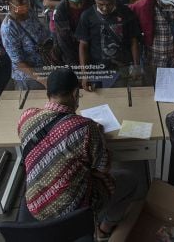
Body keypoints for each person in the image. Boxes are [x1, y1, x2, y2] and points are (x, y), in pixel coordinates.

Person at [17, 68, 137, 239]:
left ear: (48, 93)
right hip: (74, 213)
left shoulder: (26, 117)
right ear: (75, 94)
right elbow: (103, 167)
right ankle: (104, 229)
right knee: (130, 180)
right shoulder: (85, 128)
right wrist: (97, 135)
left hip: (35, 206)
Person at [76, 0, 142, 91]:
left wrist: (136, 66)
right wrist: (84, 74)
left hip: (121, 68)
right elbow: (83, 45)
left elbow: (133, 41)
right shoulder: (87, 16)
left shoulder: (126, 12)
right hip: (97, 69)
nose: (105, 8)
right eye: (100, 4)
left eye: (109, 4)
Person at [0, 0, 51, 90]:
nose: (25, 2)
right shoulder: (9, 28)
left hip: (45, 67)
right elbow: (19, 63)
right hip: (30, 79)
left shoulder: (29, 12)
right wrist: (44, 81)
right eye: (19, 0)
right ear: (7, 2)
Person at [53, 0, 94, 66]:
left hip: (93, 48)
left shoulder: (92, 3)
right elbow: (64, 40)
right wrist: (75, 65)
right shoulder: (61, 10)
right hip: (72, 51)